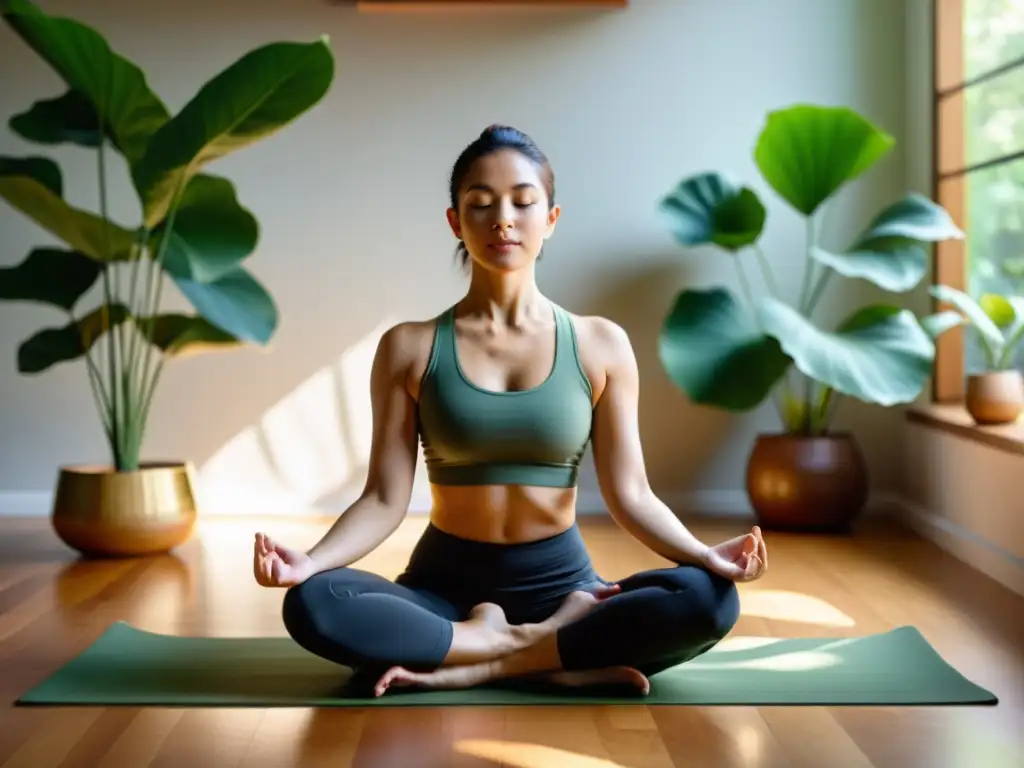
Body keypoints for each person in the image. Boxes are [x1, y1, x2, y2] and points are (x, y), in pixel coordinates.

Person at [253, 124, 768, 698]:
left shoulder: (600, 345)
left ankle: (482, 658)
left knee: (709, 599)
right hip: (442, 589)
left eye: (523, 202)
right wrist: (310, 562)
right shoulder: (409, 346)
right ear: (456, 221)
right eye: (481, 203)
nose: (504, 218)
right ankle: (547, 650)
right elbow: (383, 498)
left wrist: (703, 555)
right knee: (315, 604)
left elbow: (633, 494)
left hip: (567, 587)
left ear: (550, 218)